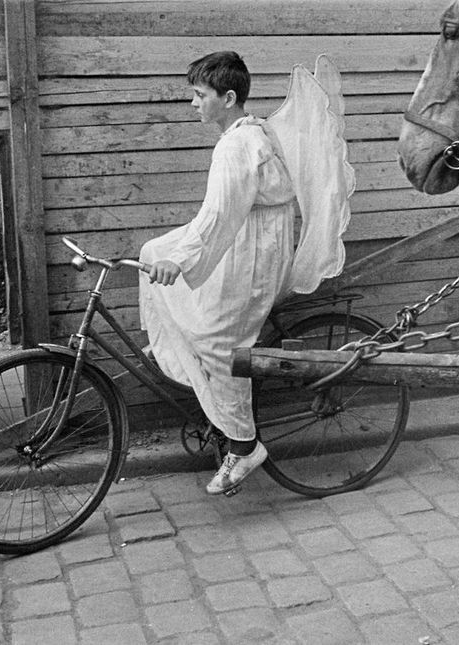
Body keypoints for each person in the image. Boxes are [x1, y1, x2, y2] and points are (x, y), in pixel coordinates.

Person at [139, 52, 299, 495]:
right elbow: (220, 217)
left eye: (199, 95)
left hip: (252, 256)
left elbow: (218, 216)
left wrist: (184, 261)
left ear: (228, 98)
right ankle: (172, 341)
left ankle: (245, 446)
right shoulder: (250, 131)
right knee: (153, 251)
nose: (193, 103)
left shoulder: (237, 144)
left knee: (219, 344)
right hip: (246, 239)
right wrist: (174, 256)